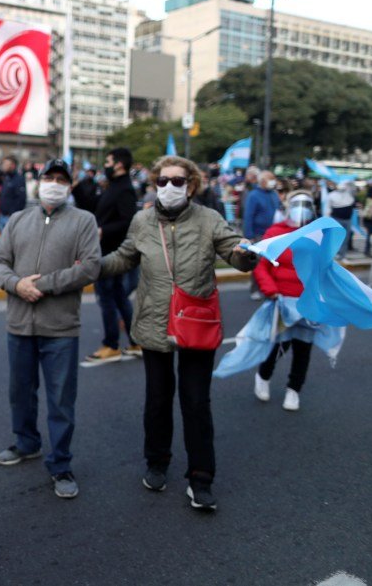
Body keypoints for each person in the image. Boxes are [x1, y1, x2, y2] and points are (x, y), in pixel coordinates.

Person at [99, 155, 257, 511]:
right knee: (157, 399)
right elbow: (124, 257)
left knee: (196, 402)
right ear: (154, 184)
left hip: (196, 324)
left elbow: (235, 253)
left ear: (192, 186)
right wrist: (92, 265)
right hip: (154, 323)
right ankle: (157, 463)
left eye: (177, 181)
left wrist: (247, 254)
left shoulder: (209, 220)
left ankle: (201, 477)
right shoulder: (142, 221)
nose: (169, 187)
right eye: (162, 181)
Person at [0, 158, 101, 500]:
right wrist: (17, 284)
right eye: (48, 178)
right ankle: (26, 443)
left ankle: (61, 463)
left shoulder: (83, 221)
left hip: (60, 327)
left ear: (70, 185)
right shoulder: (19, 219)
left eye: (60, 179)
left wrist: (46, 285)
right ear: (38, 182)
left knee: (60, 400)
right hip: (20, 323)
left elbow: (91, 266)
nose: (53, 183)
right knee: (20, 391)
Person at [253, 191, 318, 411]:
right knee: (278, 345)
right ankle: (263, 376)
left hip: (307, 303)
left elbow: (325, 268)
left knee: (303, 349)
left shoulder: (318, 233)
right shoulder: (275, 233)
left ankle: (294, 390)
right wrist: (270, 290)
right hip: (281, 300)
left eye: (307, 204)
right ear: (288, 206)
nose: (303, 207)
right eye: (298, 203)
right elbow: (262, 266)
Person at [85, 147, 139, 364]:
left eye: (108, 161)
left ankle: (111, 344)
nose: (105, 165)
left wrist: (103, 231)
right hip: (108, 250)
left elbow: (128, 221)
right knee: (118, 297)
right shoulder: (114, 186)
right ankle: (136, 341)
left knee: (107, 298)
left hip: (112, 253)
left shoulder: (124, 188)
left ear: (118, 164)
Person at [243, 170, 280, 300]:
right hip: (259, 234)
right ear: (262, 181)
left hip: (273, 233)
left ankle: (270, 289)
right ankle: (255, 289)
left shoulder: (274, 194)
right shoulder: (254, 195)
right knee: (259, 264)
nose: (273, 181)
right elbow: (248, 216)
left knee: (272, 262)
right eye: (271, 179)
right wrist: (249, 235)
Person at [328, 180, 356, 260]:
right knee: (336, 238)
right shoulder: (331, 195)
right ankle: (335, 254)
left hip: (347, 219)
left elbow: (352, 187)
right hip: (336, 219)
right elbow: (328, 208)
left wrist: (347, 180)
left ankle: (342, 254)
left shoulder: (349, 194)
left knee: (345, 238)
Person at [0, 156, 26, 230]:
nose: (3, 166)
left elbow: (21, 199)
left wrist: (12, 214)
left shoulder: (18, 179)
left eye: (6, 164)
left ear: (12, 165)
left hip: (10, 217)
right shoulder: (6, 178)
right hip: (2, 215)